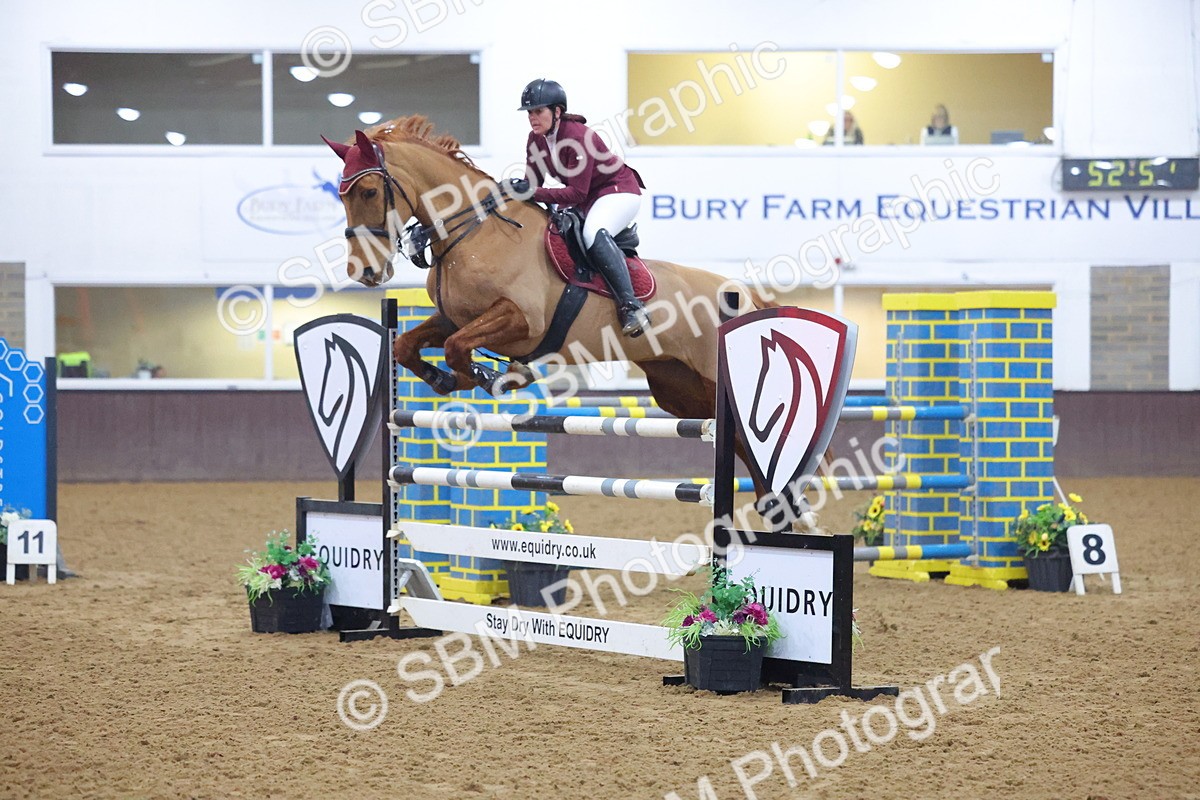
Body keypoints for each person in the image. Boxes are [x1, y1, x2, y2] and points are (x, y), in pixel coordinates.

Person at [504, 78, 650, 337]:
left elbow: (576, 192)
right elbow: (532, 184)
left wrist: (531, 191)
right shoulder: (535, 140)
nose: (532, 118)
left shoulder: (578, 137)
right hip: (588, 198)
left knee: (592, 232)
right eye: (529, 112)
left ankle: (632, 307)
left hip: (618, 191)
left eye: (538, 111)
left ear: (557, 111)